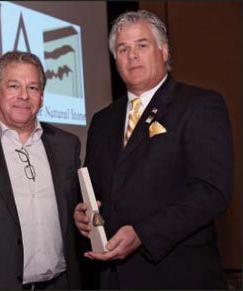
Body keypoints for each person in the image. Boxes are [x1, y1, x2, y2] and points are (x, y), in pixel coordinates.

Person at [74, 10, 233, 289]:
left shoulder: (199, 105)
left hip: (177, 275)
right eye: (123, 49)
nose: (132, 55)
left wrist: (142, 234)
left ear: (164, 50)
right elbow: (97, 190)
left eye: (142, 45)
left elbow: (211, 191)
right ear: (116, 60)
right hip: (113, 278)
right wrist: (85, 215)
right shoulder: (102, 120)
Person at [0, 51, 81, 290]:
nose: (24, 96)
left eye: (33, 88)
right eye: (13, 86)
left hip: (61, 284)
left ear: (42, 97)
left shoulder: (67, 145)